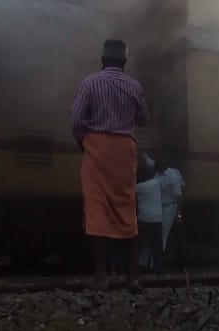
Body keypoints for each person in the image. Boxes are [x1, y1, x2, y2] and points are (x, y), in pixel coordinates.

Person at [69, 39, 149, 291]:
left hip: (97, 148)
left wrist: (85, 143)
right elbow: (143, 118)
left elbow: (76, 120)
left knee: (96, 207)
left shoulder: (89, 83)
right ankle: (132, 277)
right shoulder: (134, 86)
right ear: (124, 61)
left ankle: (102, 277)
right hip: (125, 149)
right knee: (127, 206)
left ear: (102, 59)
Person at [134, 153, 165, 274]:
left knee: (139, 244)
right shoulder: (157, 183)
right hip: (157, 219)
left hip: (143, 220)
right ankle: (159, 270)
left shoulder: (138, 187)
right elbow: (159, 172)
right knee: (157, 246)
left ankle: (136, 267)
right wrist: (148, 160)